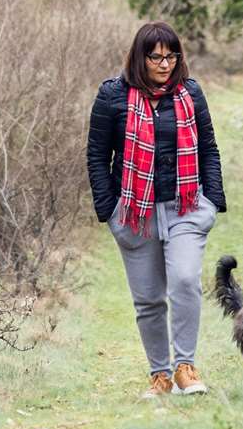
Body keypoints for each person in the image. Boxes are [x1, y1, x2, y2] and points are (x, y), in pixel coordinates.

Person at [87, 21, 225, 397]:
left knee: (184, 281)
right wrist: (110, 212)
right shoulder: (112, 96)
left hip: (185, 206)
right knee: (148, 298)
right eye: (156, 57)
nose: (165, 64)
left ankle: (185, 367)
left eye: (171, 56)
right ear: (140, 57)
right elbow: (98, 157)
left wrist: (212, 202)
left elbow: (208, 149)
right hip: (135, 212)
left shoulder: (190, 93)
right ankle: (160, 375)